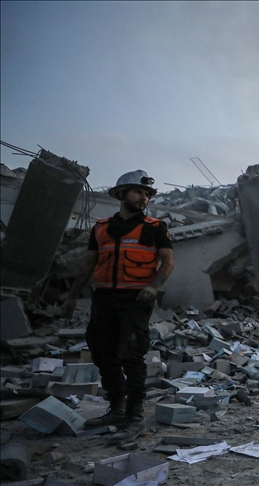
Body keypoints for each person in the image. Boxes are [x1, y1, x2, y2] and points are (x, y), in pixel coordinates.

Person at [61, 170, 174, 443]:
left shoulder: (155, 227)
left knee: (132, 356)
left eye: (147, 194)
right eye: (138, 192)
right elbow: (88, 265)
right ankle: (117, 409)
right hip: (104, 298)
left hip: (135, 300)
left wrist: (153, 287)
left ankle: (135, 418)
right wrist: (72, 296)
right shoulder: (101, 228)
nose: (143, 198)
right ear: (122, 194)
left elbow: (168, 262)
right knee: (102, 352)